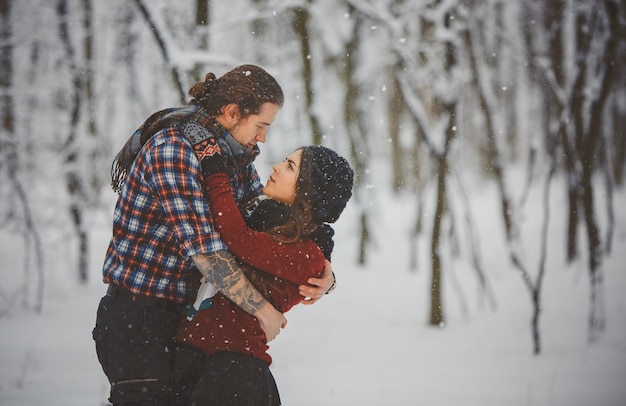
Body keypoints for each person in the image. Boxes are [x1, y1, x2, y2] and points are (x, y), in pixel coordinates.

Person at [92, 65, 336, 406]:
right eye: (261, 125)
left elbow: (262, 228)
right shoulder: (173, 150)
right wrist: (264, 310)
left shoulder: (230, 159)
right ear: (233, 112)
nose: (263, 138)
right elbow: (207, 253)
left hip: (184, 321)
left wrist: (323, 271)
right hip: (141, 319)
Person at [171, 144, 354, 405]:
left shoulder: (306, 254)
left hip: (233, 371)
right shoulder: (266, 220)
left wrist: (215, 170)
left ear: (310, 191)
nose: (276, 167)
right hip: (198, 359)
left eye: (290, 166)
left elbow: (237, 238)